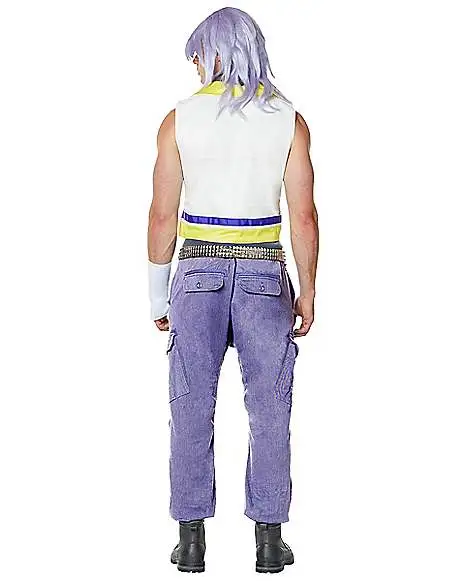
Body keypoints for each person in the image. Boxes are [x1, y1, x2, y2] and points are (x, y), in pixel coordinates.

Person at [147, 7, 318, 574]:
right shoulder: (289, 121)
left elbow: (162, 217)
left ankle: (191, 540)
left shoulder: (178, 120)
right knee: (270, 408)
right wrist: (308, 291)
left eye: (199, 55)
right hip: (265, 272)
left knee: (190, 405)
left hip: (196, 271)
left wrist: (156, 296)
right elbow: (303, 218)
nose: (196, 66)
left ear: (215, 52)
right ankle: (269, 541)